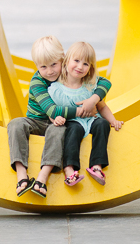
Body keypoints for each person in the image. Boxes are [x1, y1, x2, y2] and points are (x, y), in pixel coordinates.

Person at [7, 36, 112, 198]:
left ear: (63, 59)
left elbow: (103, 82)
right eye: (43, 67)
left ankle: (43, 177)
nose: (50, 71)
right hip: (37, 121)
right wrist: (83, 110)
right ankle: (22, 175)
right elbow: (52, 110)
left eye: (54, 65)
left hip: (58, 123)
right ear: (36, 66)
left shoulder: (67, 72)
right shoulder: (38, 82)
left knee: (58, 130)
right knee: (15, 124)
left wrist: (93, 100)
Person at [48, 42, 123, 187]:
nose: (80, 67)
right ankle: (69, 169)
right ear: (66, 61)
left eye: (85, 64)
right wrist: (53, 119)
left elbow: (101, 106)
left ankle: (96, 166)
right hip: (73, 122)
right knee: (73, 130)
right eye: (76, 61)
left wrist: (113, 120)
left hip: (92, 120)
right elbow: (51, 110)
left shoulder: (90, 86)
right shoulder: (57, 89)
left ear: (90, 68)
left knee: (102, 124)